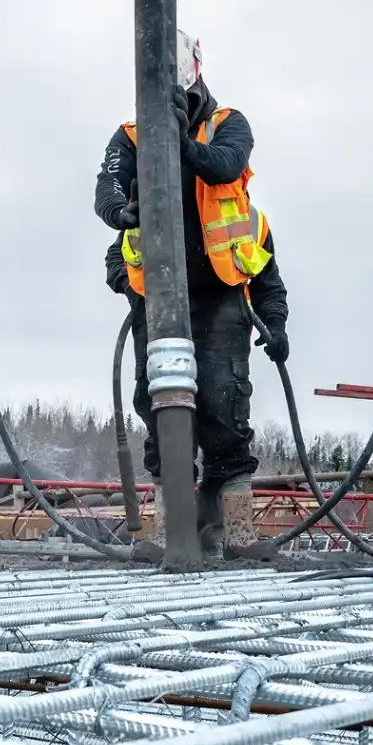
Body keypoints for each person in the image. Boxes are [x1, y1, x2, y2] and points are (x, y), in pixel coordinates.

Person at [97, 30, 289, 559]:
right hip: (157, 300)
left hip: (220, 296)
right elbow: (107, 189)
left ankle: (234, 531)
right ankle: (169, 529)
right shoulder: (130, 137)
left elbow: (226, 165)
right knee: (161, 405)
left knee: (225, 410)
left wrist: (177, 143)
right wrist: (121, 213)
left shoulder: (228, 124)